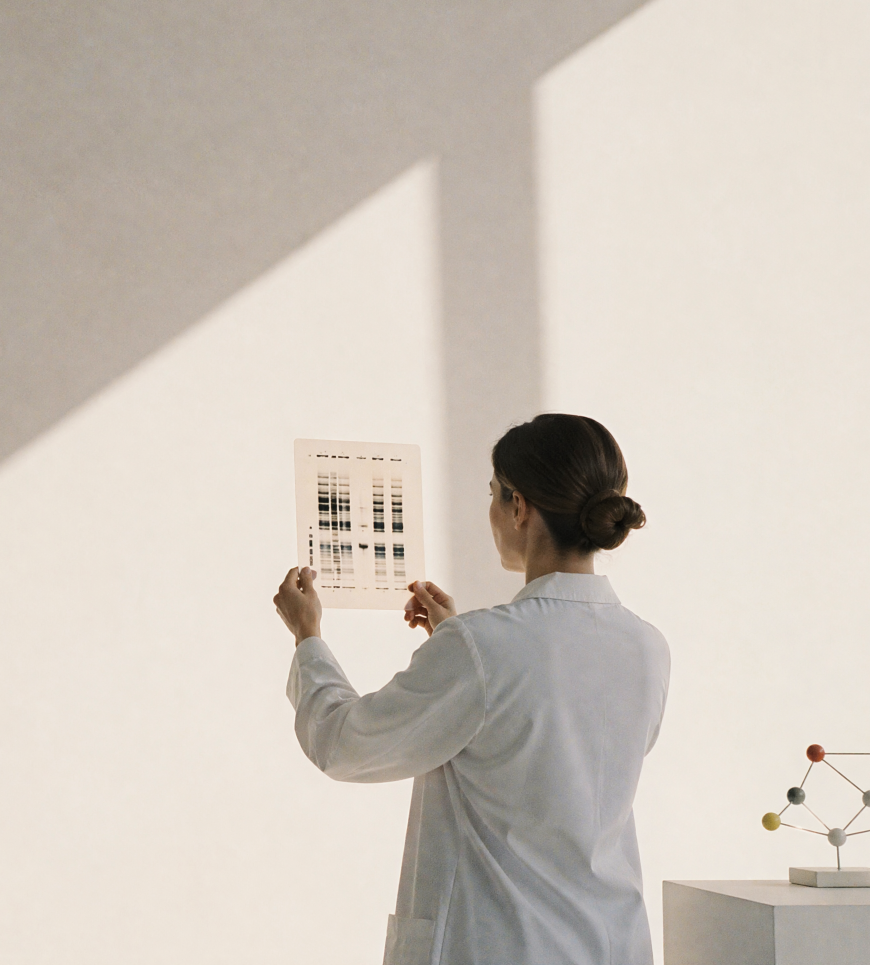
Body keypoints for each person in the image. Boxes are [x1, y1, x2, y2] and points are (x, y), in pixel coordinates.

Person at [273, 414, 668, 965]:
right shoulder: (647, 646)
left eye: (492, 494)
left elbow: (344, 746)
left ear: (519, 507)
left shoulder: (483, 649)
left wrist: (307, 636)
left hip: (501, 945)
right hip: (612, 944)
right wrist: (458, 645)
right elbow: (552, 760)